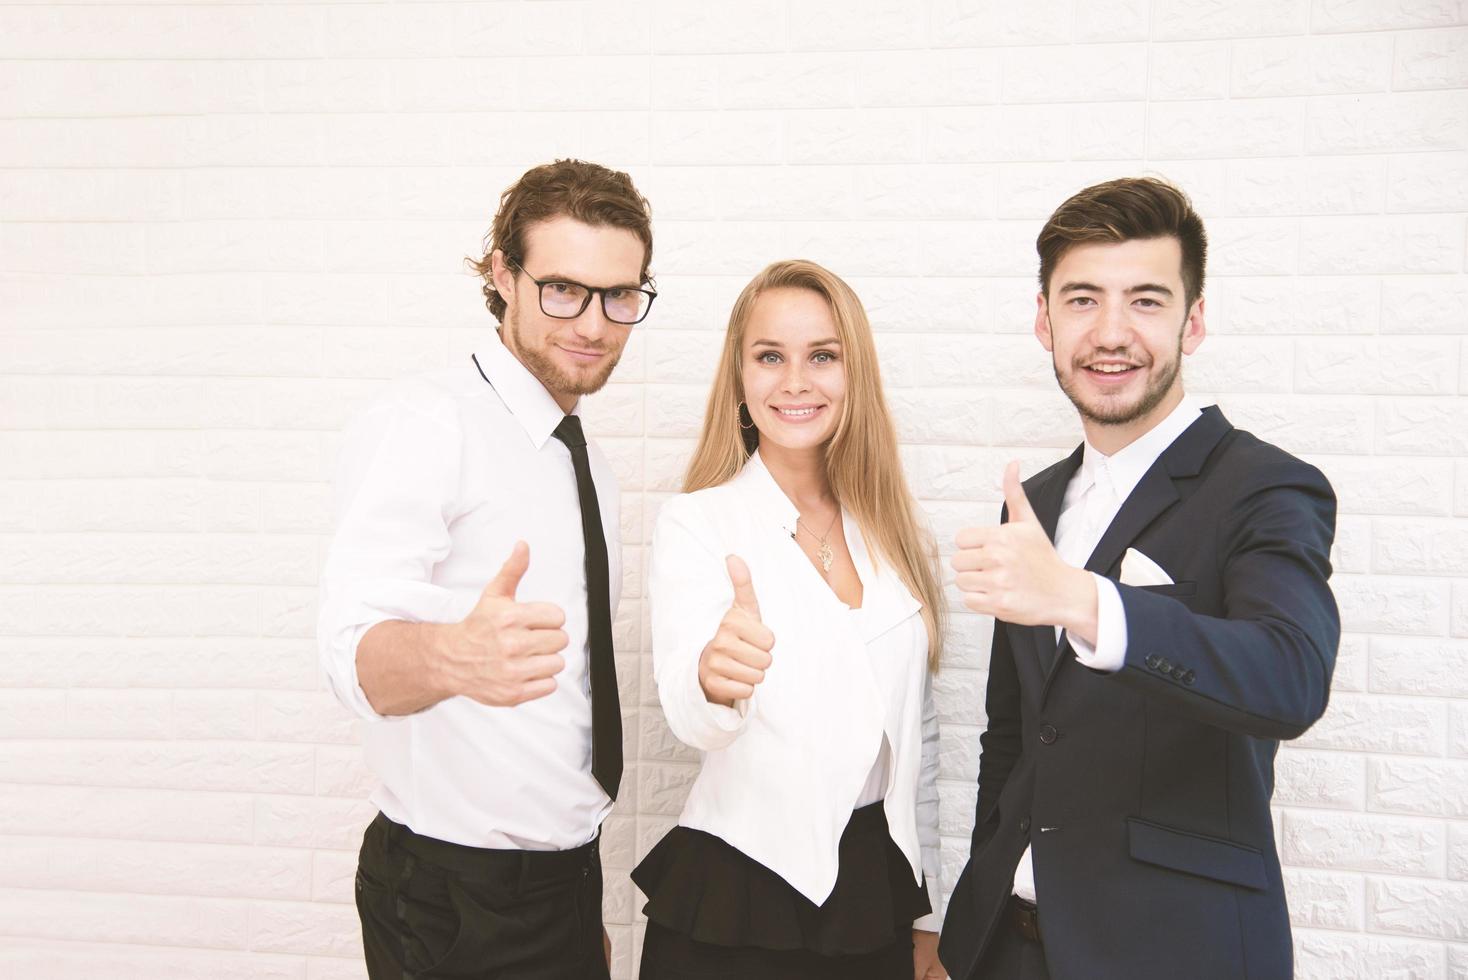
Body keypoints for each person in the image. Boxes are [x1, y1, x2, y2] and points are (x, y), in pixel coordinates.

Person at [937, 177, 1340, 980]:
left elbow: (1291, 678)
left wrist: (1084, 602)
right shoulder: (1038, 500)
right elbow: (1014, 736)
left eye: (1146, 301)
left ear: (1192, 323)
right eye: (1083, 300)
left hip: (1174, 951)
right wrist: (968, 931)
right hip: (1003, 948)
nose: (1111, 333)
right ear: (1044, 321)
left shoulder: (1265, 486)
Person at [317, 158, 657, 979]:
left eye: (620, 296)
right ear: (503, 275)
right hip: (452, 898)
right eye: (562, 289)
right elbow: (351, 656)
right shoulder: (427, 423)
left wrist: (583, 903)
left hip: (564, 883)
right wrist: (450, 656)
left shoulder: (584, 460)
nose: (593, 323)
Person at [633, 259, 948, 980]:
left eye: (823, 357)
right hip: (736, 898)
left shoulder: (894, 536)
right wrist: (717, 679)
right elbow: (692, 707)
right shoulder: (699, 522)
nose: (796, 381)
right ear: (740, 377)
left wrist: (928, 914)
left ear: (853, 373)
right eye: (770, 356)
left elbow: (918, 745)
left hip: (876, 894)